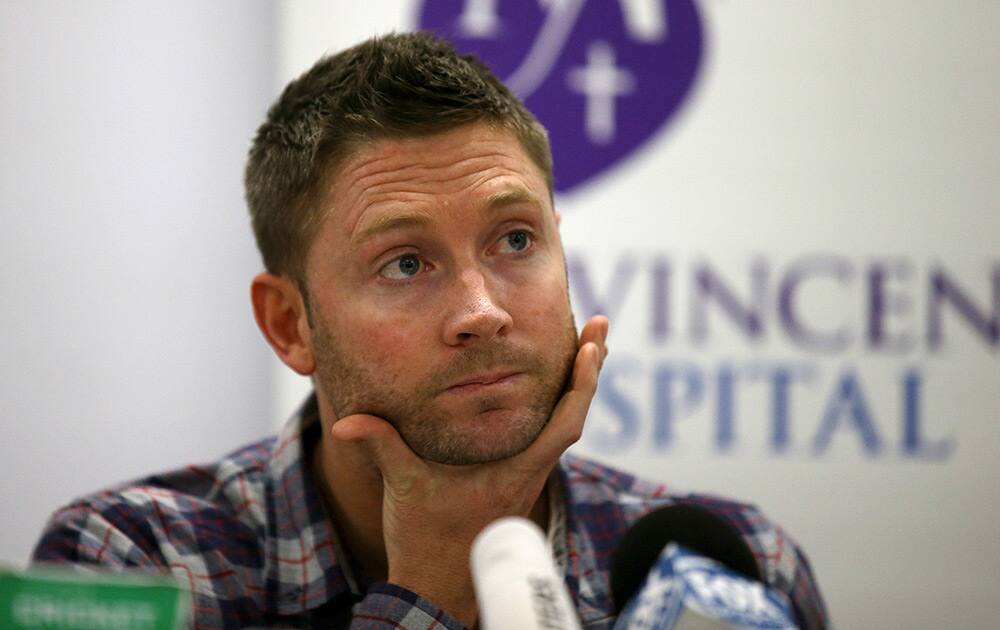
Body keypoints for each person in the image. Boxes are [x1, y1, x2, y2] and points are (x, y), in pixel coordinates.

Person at [32, 33, 828, 629]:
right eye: (405, 263)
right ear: (289, 322)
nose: (482, 311)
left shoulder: (732, 567)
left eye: (515, 240)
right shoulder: (138, 563)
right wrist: (429, 593)